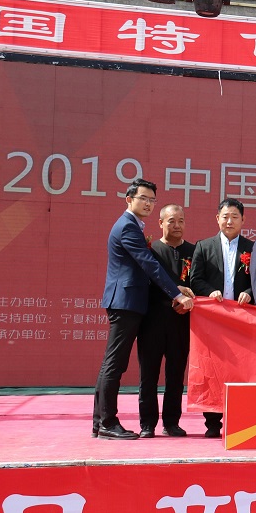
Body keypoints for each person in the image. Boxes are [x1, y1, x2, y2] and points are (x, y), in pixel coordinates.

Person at [92, 179, 194, 441]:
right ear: (129, 199)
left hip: (129, 302)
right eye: (143, 198)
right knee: (114, 364)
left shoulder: (133, 225)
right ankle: (107, 422)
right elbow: (148, 263)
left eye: (151, 200)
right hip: (125, 301)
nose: (148, 204)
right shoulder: (128, 226)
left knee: (112, 364)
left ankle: (100, 422)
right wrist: (176, 294)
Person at [189, 197, 253, 438]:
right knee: (213, 368)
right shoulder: (204, 246)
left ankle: (239, 419)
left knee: (241, 368)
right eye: (225, 216)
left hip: (241, 319)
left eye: (235, 217)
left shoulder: (253, 248)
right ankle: (213, 423)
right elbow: (195, 279)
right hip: (214, 320)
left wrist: (249, 292)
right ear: (217, 218)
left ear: (243, 220)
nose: (229, 221)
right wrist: (209, 292)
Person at [136, 204, 194, 438]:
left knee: (176, 375)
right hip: (152, 322)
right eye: (171, 221)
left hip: (181, 322)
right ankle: (147, 424)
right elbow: (146, 283)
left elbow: (197, 284)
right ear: (161, 223)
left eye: (181, 221)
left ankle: (171, 422)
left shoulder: (193, 251)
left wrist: (188, 300)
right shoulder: (150, 250)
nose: (177, 225)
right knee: (148, 375)